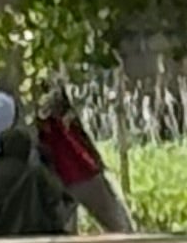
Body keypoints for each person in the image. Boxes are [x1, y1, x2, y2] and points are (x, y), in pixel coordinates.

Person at [37, 93, 134, 233]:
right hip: (68, 173)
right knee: (119, 225)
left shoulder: (53, 101)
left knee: (120, 226)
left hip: (77, 170)